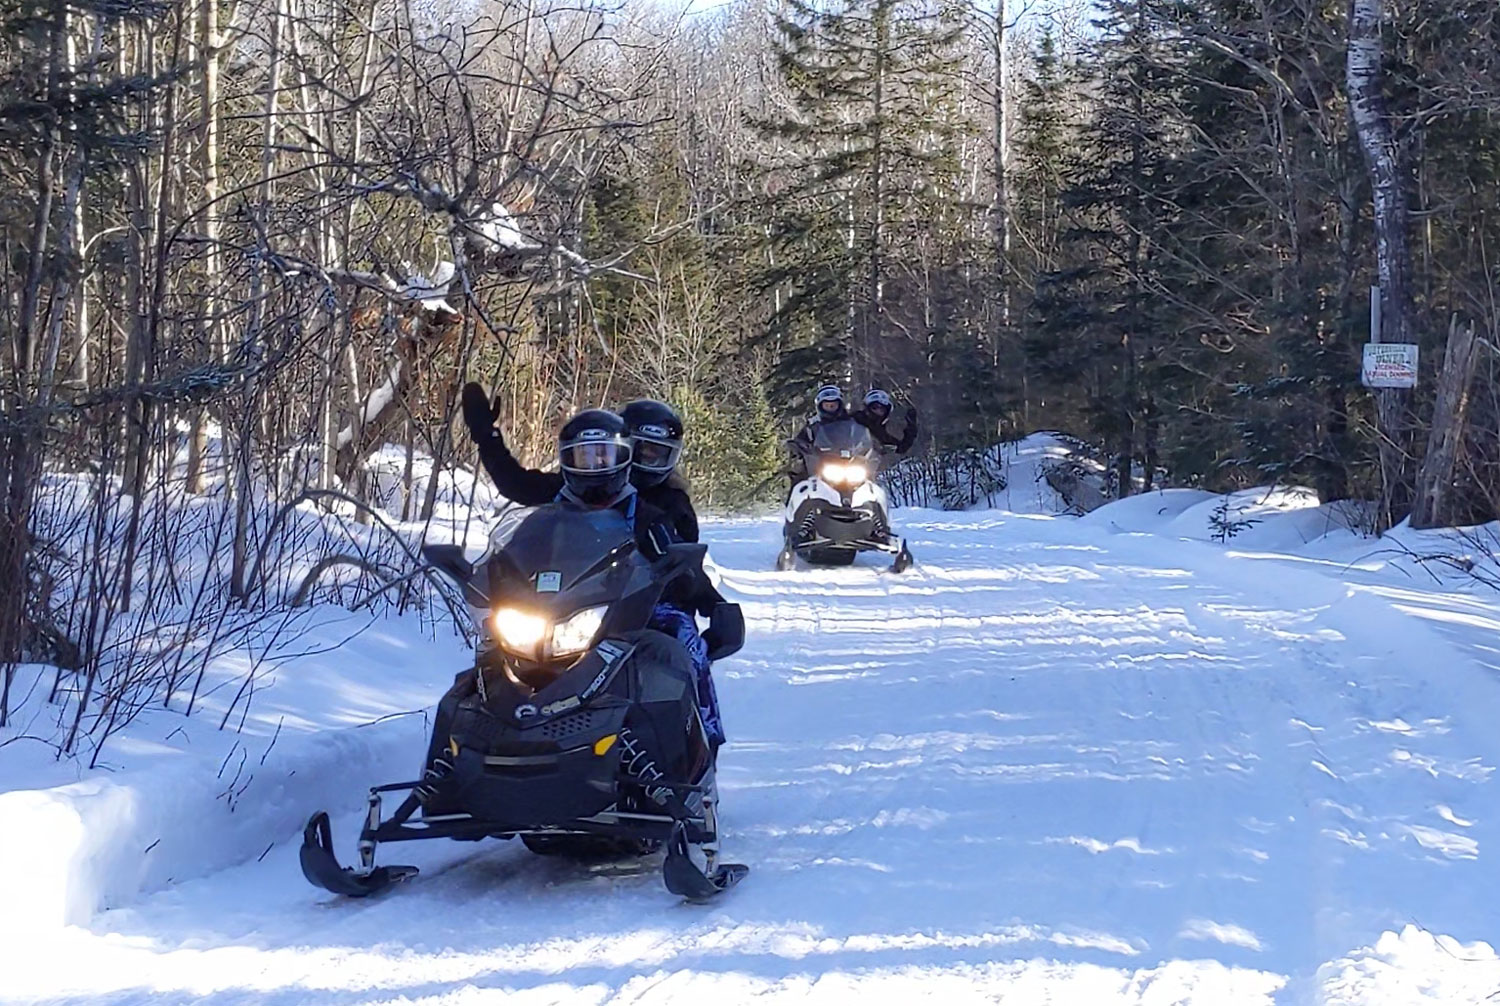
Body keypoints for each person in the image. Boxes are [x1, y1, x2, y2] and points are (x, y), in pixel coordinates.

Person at [462, 390, 726, 749]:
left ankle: (697, 742)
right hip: (560, 605)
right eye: (585, 457)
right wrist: (485, 434)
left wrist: (713, 604)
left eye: (603, 455)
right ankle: (462, 750)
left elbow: (679, 562)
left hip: (631, 604)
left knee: (677, 646)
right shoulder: (562, 493)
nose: (595, 464)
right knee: (492, 654)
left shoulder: (660, 507)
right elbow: (517, 495)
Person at [462, 384, 699, 543]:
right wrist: (486, 436)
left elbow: (682, 565)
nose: (640, 461)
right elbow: (517, 484)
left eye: (652, 454)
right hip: (568, 598)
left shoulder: (671, 503)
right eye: (635, 450)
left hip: (637, 601)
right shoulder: (580, 487)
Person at [852, 388, 918, 455]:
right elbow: (843, 430)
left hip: (864, 462)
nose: (878, 411)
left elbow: (901, 447)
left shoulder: (879, 431)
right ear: (867, 407)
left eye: (882, 409)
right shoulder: (853, 420)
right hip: (845, 456)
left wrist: (911, 427)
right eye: (875, 407)